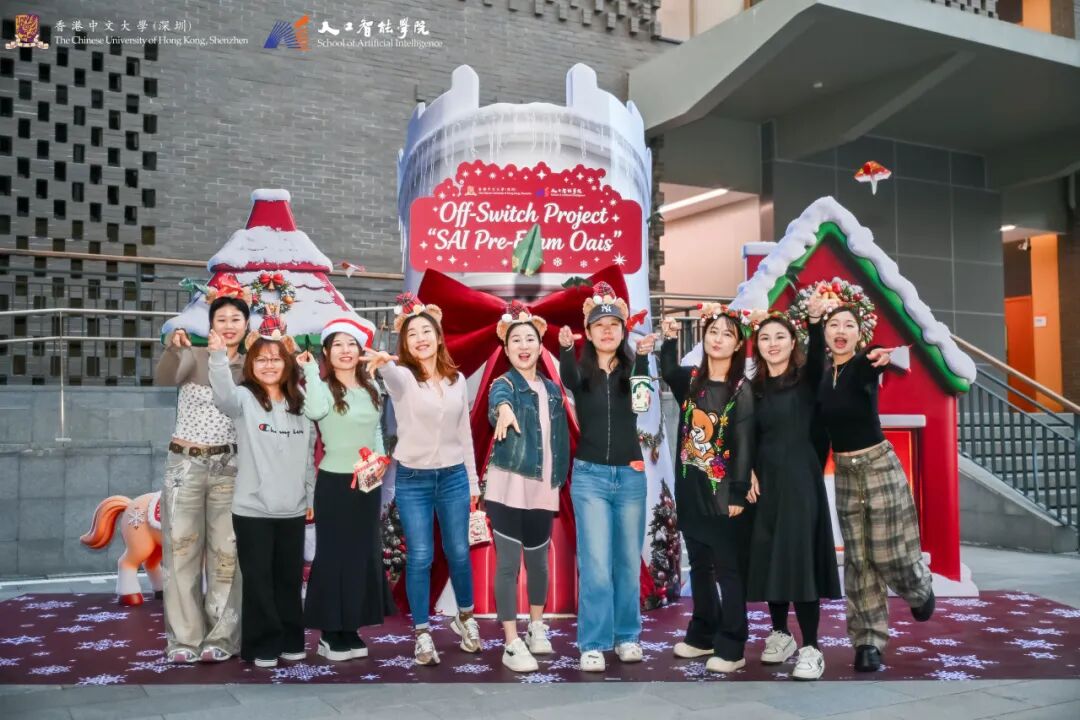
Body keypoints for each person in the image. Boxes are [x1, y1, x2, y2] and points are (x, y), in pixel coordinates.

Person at [363, 293, 482, 667]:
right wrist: (385, 364)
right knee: (420, 556)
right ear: (405, 342)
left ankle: (466, 618)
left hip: (454, 477)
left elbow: (464, 434)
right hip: (413, 479)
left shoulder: (457, 380)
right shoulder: (403, 378)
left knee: (458, 551)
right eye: (412, 333)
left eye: (426, 331)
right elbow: (392, 376)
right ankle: (422, 632)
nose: (420, 338)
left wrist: (473, 483)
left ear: (438, 336)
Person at [818, 303, 935, 673]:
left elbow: (873, 361)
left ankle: (918, 588)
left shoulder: (862, 365)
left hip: (878, 465)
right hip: (845, 472)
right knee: (859, 559)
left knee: (887, 550)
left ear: (859, 333)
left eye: (848, 325)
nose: (840, 331)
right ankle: (868, 641)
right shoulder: (821, 376)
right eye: (833, 324)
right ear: (824, 333)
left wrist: (878, 355)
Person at [744, 295, 842, 681]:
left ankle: (812, 647)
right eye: (765, 338)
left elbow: (818, 358)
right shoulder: (753, 388)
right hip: (765, 482)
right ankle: (781, 634)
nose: (772, 344)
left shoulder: (806, 380)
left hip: (801, 480)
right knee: (772, 555)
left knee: (799, 559)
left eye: (780, 337)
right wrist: (748, 470)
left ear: (792, 342)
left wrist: (816, 323)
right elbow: (746, 436)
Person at [208, 318, 312, 669]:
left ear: (287, 363)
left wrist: (310, 497)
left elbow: (308, 456)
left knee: (288, 579)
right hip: (252, 509)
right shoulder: (243, 399)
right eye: (262, 359)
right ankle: (263, 645)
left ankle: (291, 640)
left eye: (276, 358)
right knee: (258, 581)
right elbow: (222, 396)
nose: (269, 365)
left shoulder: (301, 402)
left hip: (293, 508)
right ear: (251, 364)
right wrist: (218, 357)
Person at [558, 281, 651, 673]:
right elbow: (566, 377)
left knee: (627, 562)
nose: (607, 331)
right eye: (600, 325)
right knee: (596, 564)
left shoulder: (632, 368)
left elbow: (642, 403)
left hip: (630, 477)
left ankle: (627, 636)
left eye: (614, 325)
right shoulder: (581, 372)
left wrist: (643, 360)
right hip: (590, 477)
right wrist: (566, 348)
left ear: (623, 331)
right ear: (589, 332)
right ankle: (593, 642)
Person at [657, 303, 754, 675]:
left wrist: (738, 492)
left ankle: (733, 644)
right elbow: (668, 371)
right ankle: (702, 634)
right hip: (691, 490)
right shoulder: (692, 380)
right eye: (713, 332)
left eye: (727, 334)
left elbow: (744, 443)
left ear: (738, 344)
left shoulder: (741, 389)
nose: (718, 339)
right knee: (699, 565)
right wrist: (668, 338)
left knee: (728, 570)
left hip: (723, 495)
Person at [154, 295, 248, 664]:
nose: (229, 325)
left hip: (230, 466)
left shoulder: (252, 364)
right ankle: (183, 639)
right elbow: (163, 379)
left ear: (246, 325)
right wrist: (172, 348)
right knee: (180, 551)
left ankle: (223, 636)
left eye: (236, 318)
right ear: (210, 325)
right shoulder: (193, 355)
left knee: (227, 554)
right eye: (221, 318)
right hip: (185, 465)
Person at [297, 316, 392, 663]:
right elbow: (314, 410)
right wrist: (309, 370)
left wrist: (379, 460)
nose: (346, 350)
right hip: (334, 482)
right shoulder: (321, 387)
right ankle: (329, 632)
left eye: (351, 344)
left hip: (367, 482)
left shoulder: (372, 388)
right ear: (326, 351)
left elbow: (377, 430)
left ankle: (350, 626)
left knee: (361, 554)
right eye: (337, 344)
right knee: (333, 556)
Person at [485, 302, 570, 673]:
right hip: (508, 485)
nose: (523, 345)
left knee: (538, 563)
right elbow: (497, 404)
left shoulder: (552, 389)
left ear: (540, 345)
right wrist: (503, 410)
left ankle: (536, 626)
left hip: (543, 486)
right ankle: (510, 641)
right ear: (506, 349)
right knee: (508, 565)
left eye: (530, 339)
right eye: (516, 340)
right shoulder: (502, 385)